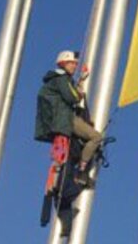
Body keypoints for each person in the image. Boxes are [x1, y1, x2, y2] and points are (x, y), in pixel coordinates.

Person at [35, 50, 103, 182]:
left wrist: (81, 80)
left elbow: (69, 93)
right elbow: (72, 97)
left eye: (75, 64)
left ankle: (68, 171)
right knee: (96, 137)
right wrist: (80, 94)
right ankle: (82, 169)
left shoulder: (57, 80)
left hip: (60, 119)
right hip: (65, 119)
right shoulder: (62, 79)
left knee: (74, 145)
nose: (74, 66)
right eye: (71, 63)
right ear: (63, 64)